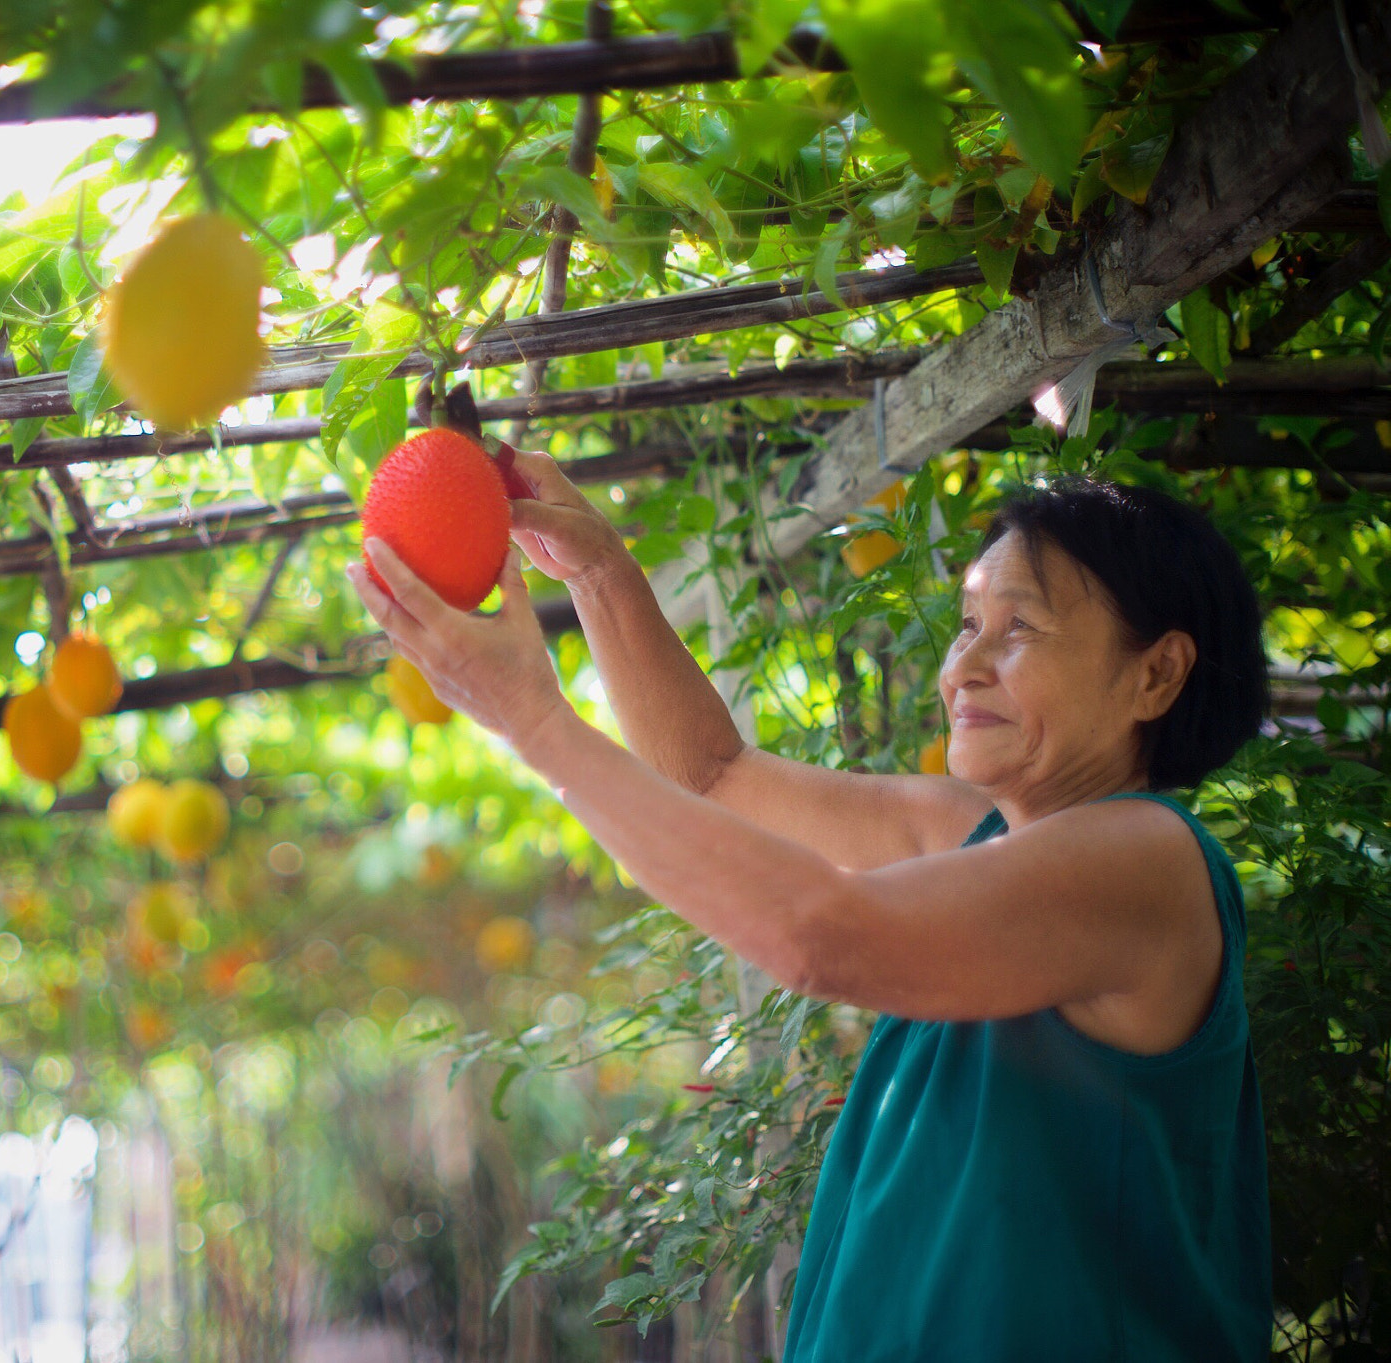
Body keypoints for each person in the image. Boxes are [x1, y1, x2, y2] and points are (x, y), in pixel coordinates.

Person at [346, 460, 1274, 1361]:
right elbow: (712, 775)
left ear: (1157, 675)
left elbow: (818, 933)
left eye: (1019, 629)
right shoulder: (978, 832)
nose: (964, 668)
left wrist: (535, 722)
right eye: (967, 623)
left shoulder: (1147, 858)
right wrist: (598, 573)